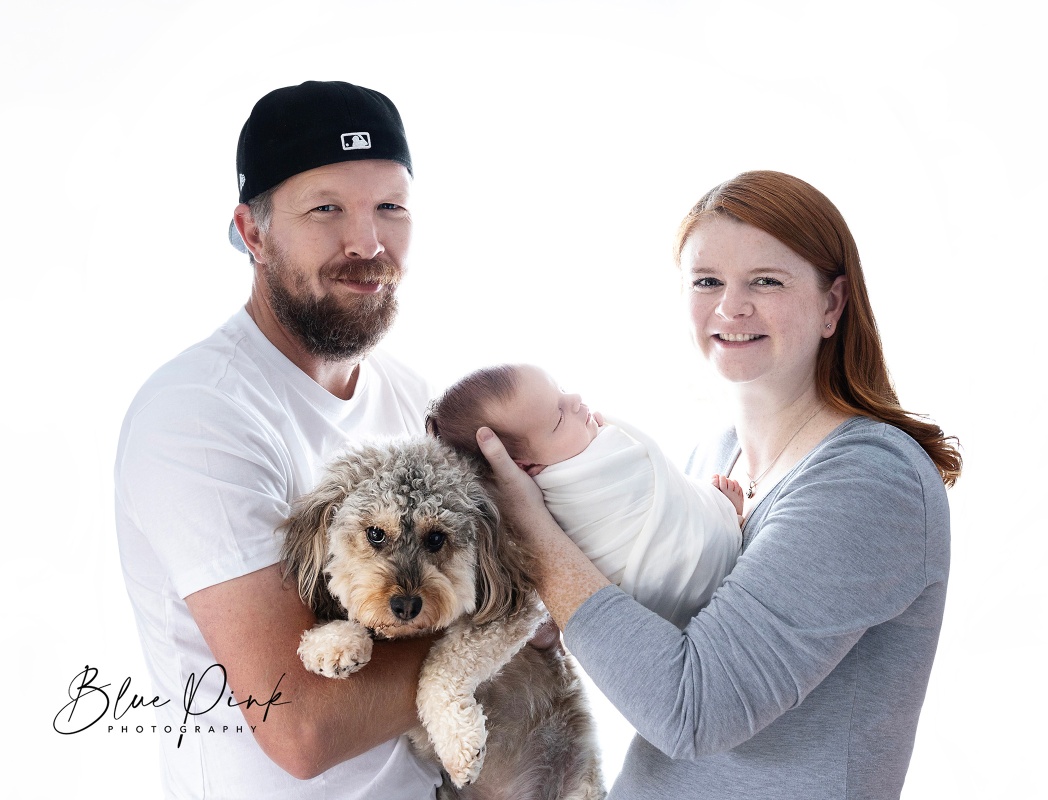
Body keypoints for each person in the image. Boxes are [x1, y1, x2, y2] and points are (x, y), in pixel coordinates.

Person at [475, 170, 960, 799]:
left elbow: (690, 710)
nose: (731, 307)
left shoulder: (870, 481)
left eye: (766, 280)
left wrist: (534, 537)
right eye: (707, 282)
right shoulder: (714, 457)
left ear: (832, 305)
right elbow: (641, 648)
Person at [115, 81, 443, 798]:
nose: (367, 242)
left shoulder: (410, 395)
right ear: (254, 232)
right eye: (326, 209)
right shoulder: (199, 416)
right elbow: (303, 728)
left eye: (390, 206)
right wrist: (502, 623)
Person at [425, 362, 744, 627]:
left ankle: (711, 513)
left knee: (666, 495)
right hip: (673, 582)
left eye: (562, 390)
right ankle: (719, 513)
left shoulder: (583, 450)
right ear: (525, 467)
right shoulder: (558, 492)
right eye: (559, 417)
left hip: (681, 584)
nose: (575, 400)